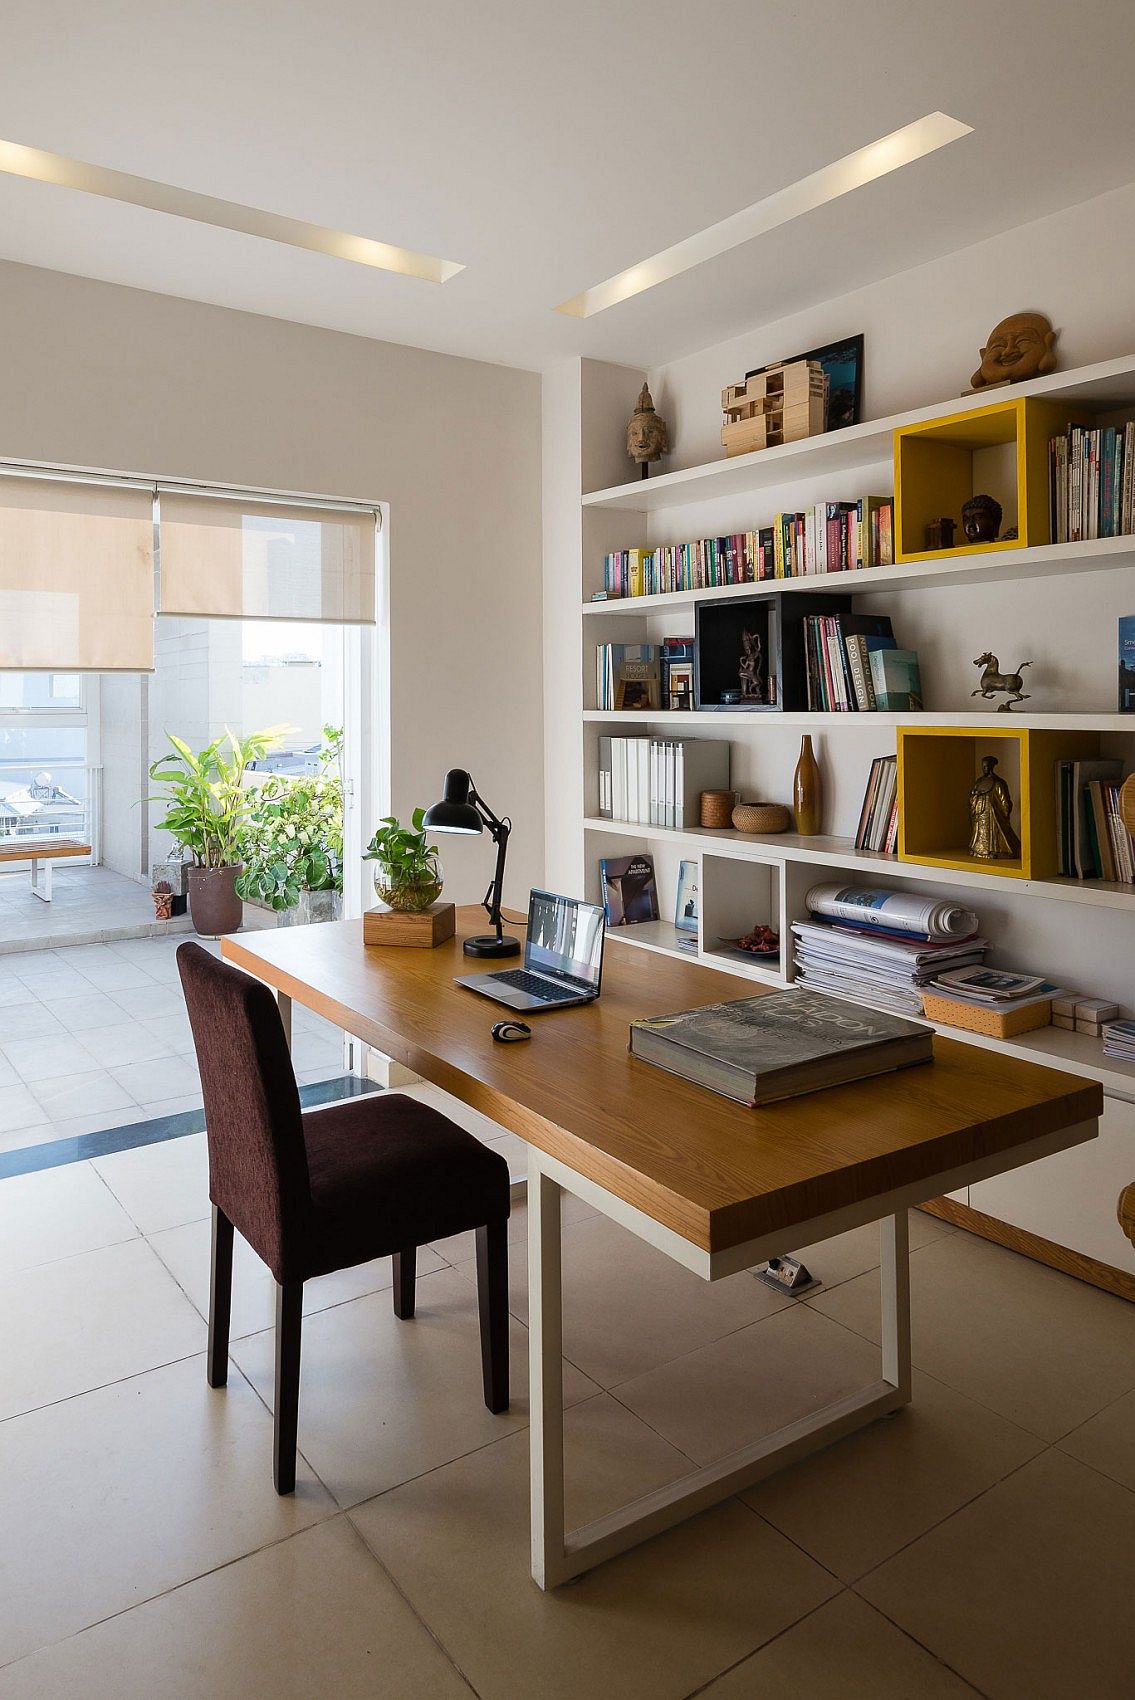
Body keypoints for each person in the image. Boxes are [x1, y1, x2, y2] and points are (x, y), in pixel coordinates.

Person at [968, 755, 1021, 859]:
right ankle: (979, 849)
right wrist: (974, 797)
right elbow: (972, 797)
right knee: (980, 833)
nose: (984, 769)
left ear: (991, 767)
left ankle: (996, 850)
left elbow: (1005, 801)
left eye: (986, 767)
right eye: (983, 767)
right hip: (980, 813)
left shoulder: (998, 783)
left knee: (994, 833)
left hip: (992, 815)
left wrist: (1005, 812)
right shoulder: (979, 782)